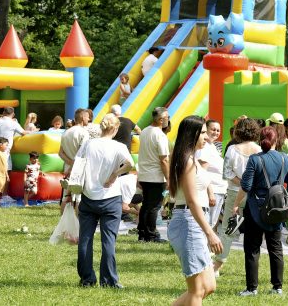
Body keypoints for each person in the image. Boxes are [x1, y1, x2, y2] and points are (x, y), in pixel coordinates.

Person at [168, 115, 224, 305]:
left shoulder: (191, 159)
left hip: (195, 222)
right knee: (197, 290)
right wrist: (210, 233)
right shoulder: (187, 161)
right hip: (188, 222)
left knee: (209, 286)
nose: (207, 137)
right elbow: (192, 202)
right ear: (192, 134)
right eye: (203, 133)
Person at [75, 113, 134, 289]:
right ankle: (108, 280)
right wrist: (115, 174)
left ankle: (87, 279)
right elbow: (130, 164)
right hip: (111, 197)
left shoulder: (88, 144)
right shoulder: (119, 146)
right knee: (108, 242)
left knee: (85, 240)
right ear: (115, 129)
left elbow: (77, 165)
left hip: (88, 196)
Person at [233, 125, 288, 296]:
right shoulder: (285, 158)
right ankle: (277, 287)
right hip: (276, 208)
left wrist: (236, 204)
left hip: (255, 209)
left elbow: (246, 186)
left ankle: (251, 288)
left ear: (260, 140)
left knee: (252, 249)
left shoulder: (255, 159)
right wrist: (282, 196)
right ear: (276, 140)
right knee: (276, 248)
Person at [213, 117, 262, 274]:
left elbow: (227, 173)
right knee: (253, 232)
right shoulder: (260, 150)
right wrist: (248, 184)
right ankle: (252, 268)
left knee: (228, 230)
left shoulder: (232, 149)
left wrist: (242, 183)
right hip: (254, 194)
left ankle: (217, 265)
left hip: (234, 193)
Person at [137, 107, 171, 243]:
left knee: (146, 205)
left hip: (144, 173)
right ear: (161, 119)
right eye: (168, 117)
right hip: (156, 175)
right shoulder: (160, 135)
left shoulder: (145, 131)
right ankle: (151, 235)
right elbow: (164, 159)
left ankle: (142, 233)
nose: (169, 120)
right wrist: (168, 178)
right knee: (154, 207)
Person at [197, 119, 226, 226]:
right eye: (213, 129)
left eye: (218, 130)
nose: (216, 132)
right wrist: (210, 192)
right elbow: (202, 172)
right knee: (208, 223)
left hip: (219, 190)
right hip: (213, 190)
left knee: (212, 222)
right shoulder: (204, 148)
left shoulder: (212, 146)